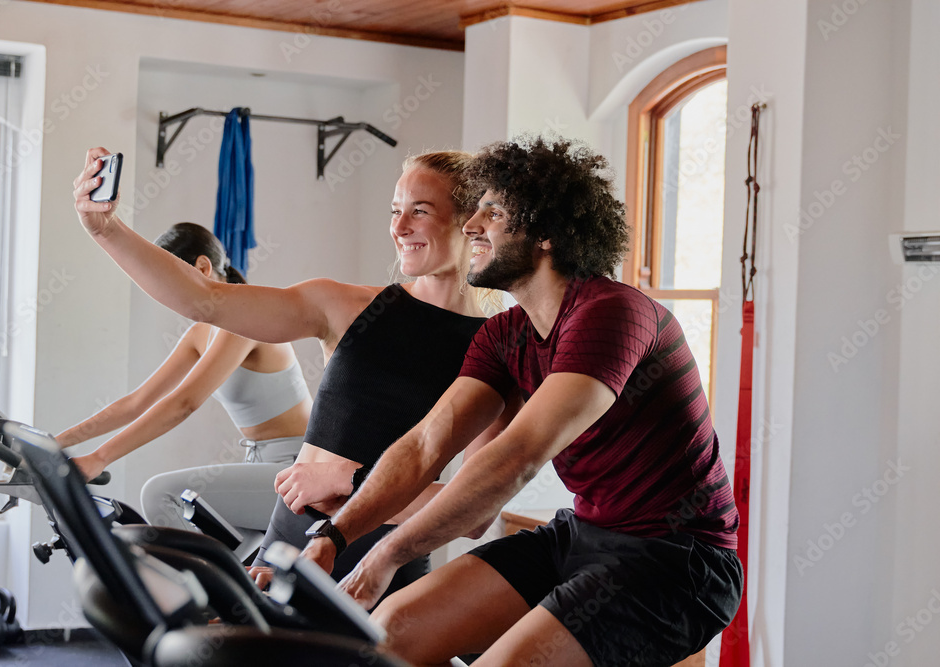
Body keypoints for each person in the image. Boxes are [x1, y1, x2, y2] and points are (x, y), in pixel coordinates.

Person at [291, 136, 743, 667]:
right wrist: (335, 535)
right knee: (387, 633)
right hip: (580, 534)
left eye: (493, 211)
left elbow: (517, 457)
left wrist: (384, 558)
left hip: (678, 560)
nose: (470, 225)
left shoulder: (612, 313)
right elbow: (424, 446)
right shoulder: (505, 335)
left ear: (546, 233)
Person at [72, 147, 518, 599]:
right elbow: (203, 298)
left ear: (470, 222)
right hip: (285, 545)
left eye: (419, 212)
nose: (399, 227)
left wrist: (348, 481)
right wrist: (105, 229)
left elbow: (475, 510)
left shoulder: (498, 348)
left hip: (379, 572)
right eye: (395, 210)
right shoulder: (347, 307)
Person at [57, 222, 313, 530]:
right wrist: (56, 443)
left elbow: (184, 403)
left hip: (299, 466)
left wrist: (99, 457)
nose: (165, 297)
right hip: (260, 466)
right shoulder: (201, 333)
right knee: (217, 555)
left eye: (168, 283)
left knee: (160, 495)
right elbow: (136, 402)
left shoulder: (245, 314)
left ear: (202, 267)